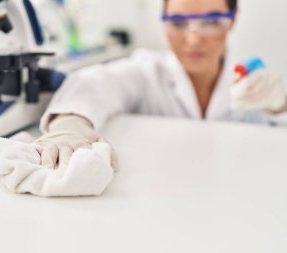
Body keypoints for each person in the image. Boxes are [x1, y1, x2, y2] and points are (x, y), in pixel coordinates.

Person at [34, 0, 287, 169]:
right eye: (178, 23)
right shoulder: (147, 72)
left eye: (210, 21)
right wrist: (70, 124)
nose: (193, 38)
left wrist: (280, 106)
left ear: (232, 19)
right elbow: (96, 83)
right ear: (163, 20)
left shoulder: (253, 85)